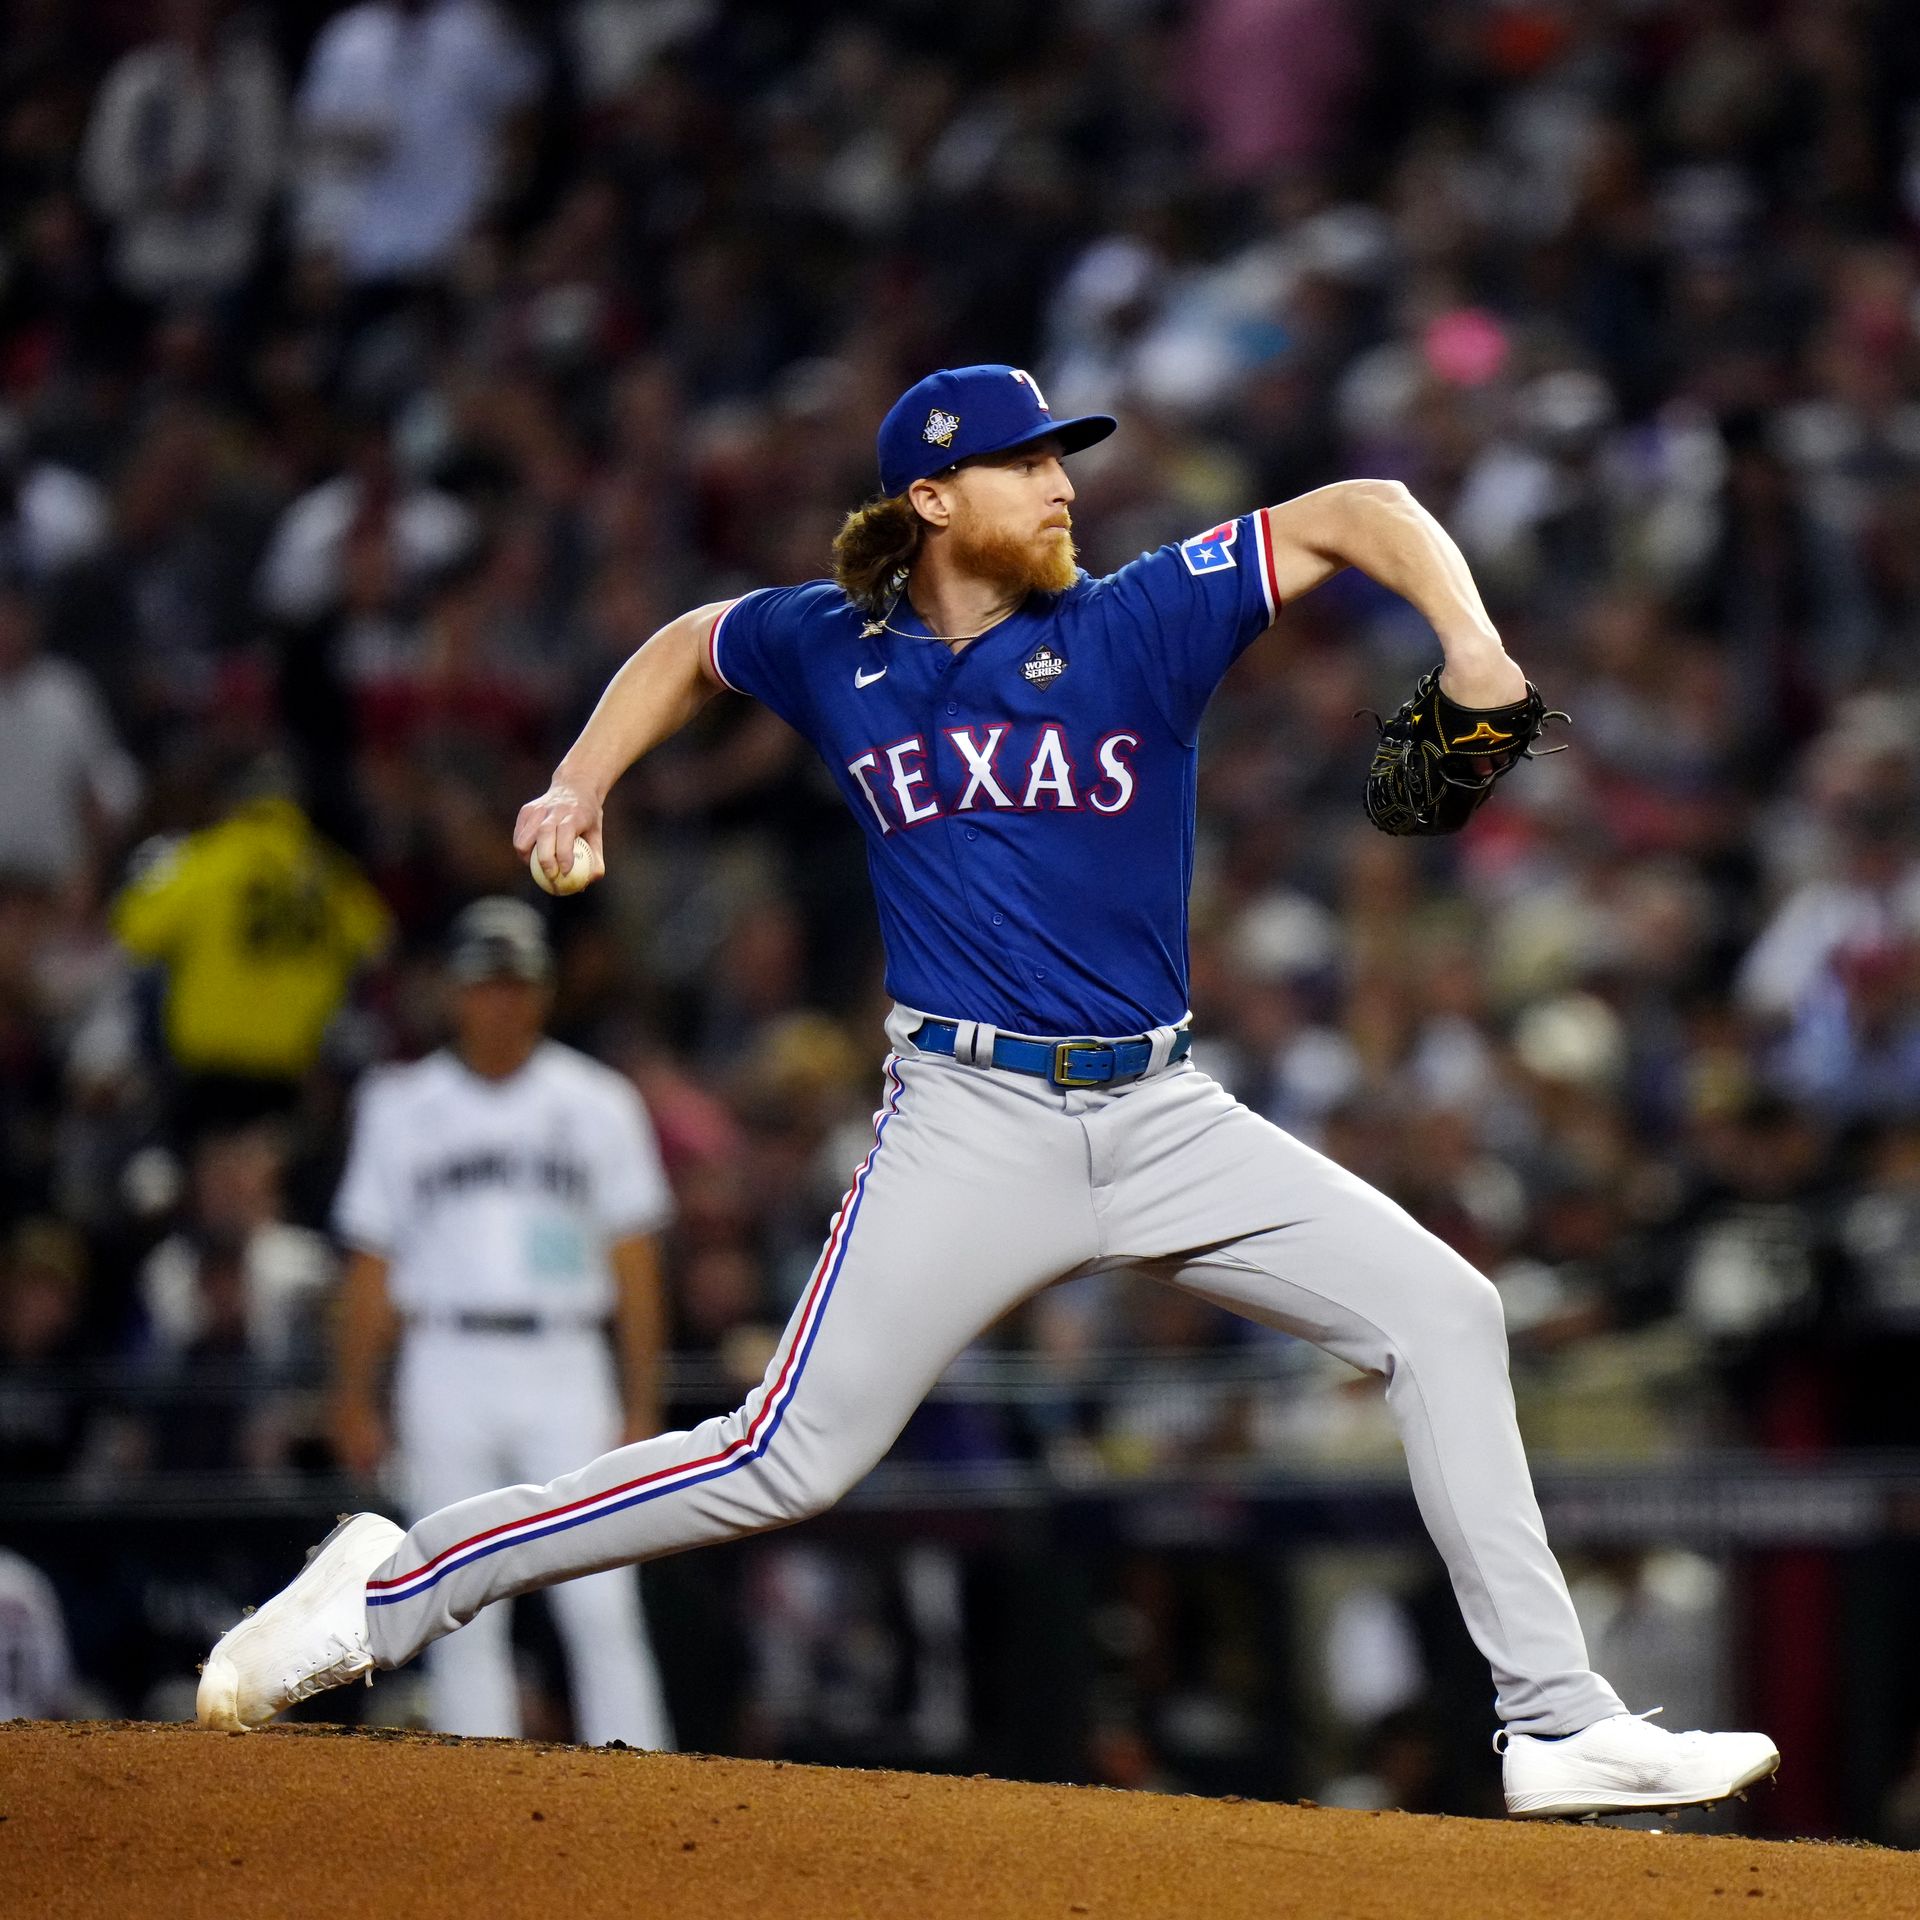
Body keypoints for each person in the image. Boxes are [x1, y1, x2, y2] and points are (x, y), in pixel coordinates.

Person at [199, 365, 1779, 1818]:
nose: (1064, 483)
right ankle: (395, 1589)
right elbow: (691, 642)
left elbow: (1363, 511)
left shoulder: (1137, 621)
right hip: (974, 1120)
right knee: (784, 1461)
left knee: (1448, 1315)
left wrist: (1474, 644)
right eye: (1029, 461)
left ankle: (1556, 1721)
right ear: (932, 499)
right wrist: (578, 779)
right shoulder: (838, 646)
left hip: (1164, 1115)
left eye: (1063, 458)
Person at [325, 897, 675, 1748]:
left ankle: (647, 1790)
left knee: (601, 1596)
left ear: (545, 993)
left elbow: (634, 1265)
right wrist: (353, 1396)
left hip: (565, 1361)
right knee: (455, 1599)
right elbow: (371, 1266)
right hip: (444, 1359)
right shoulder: (399, 1103)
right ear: (453, 993)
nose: (502, 1002)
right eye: (486, 984)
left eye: (517, 983)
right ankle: (472, 1798)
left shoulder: (598, 1101)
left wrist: (640, 1401)